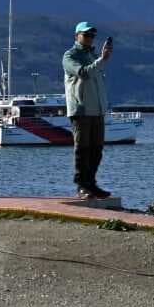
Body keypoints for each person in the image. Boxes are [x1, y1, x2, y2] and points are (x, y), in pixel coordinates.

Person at [62, 21, 113, 199]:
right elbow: (83, 73)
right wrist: (102, 60)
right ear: (77, 36)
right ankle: (82, 186)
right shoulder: (70, 56)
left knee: (96, 150)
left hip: (97, 110)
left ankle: (92, 183)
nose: (90, 38)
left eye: (92, 35)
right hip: (81, 110)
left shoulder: (93, 56)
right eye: (86, 35)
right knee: (82, 149)